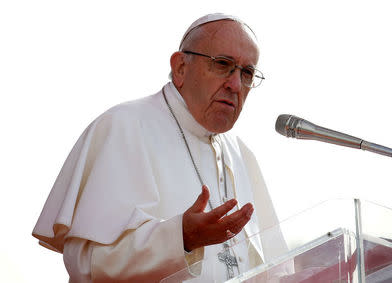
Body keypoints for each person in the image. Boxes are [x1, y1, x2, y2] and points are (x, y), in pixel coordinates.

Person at [33, 13, 290, 282]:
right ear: (180, 67)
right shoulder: (125, 126)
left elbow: (277, 268)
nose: (235, 84)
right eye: (222, 64)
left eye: (247, 72)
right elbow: (86, 262)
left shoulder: (242, 154)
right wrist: (181, 239)